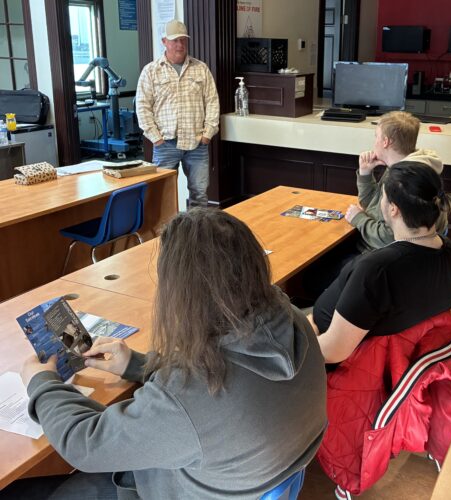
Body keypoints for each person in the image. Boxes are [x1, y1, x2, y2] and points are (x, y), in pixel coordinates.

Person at [13, 209, 327, 500]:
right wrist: (137, 364)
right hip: (253, 477)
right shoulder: (293, 321)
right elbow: (230, 366)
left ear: (181, 293)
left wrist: (42, 383)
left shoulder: (189, 397)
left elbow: (84, 444)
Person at [309, 162, 451, 363]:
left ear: (393, 209)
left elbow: (331, 352)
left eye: (382, 196)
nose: (380, 201)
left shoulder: (377, 269)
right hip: (395, 352)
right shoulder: (450, 251)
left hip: (339, 358)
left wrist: (307, 332)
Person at [136, 20, 220, 208]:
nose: (180, 45)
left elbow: (212, 102)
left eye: (183, 40)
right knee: (162, 196)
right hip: (165, 144)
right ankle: (167, 229)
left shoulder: (201, 68)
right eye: (175, 40)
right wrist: (155, 138)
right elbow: (142, 107)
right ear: (164, 41)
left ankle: (197, 228)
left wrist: (208, 134)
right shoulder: (151, 71)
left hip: (197, 143)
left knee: (199, 195)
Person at [346, 111, 445, 253]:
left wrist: (359, 219)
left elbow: (389, 240)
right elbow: (371, 207)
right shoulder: (400, 167)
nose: (375, 142)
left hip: (381, 257)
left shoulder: (405, 181)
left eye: (376, 136)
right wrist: (365, 173)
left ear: (386, 142)